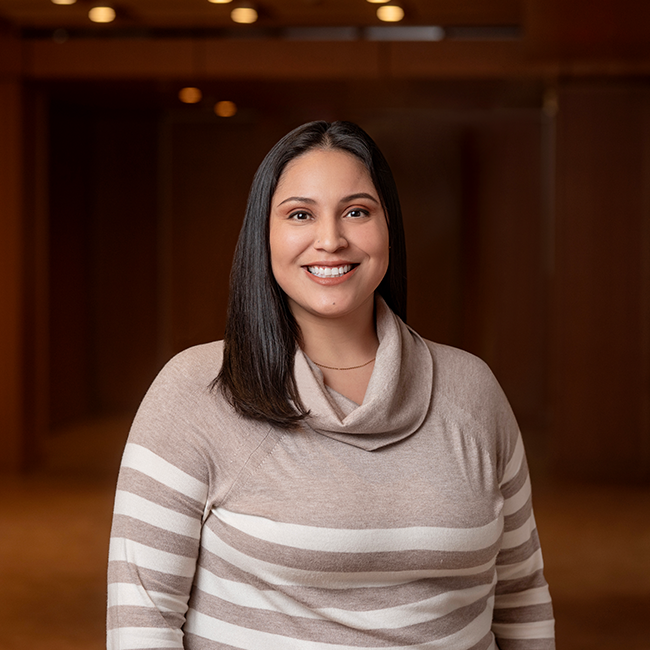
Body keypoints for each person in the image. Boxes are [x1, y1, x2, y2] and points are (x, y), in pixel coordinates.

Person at [107, 121, 555, 649]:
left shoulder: (472, 390)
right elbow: (144, 620)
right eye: (300, 214)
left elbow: (522, 597)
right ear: (264, 235)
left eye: (357, 212)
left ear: (388, 226)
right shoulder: (194, 393)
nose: (330, 240)